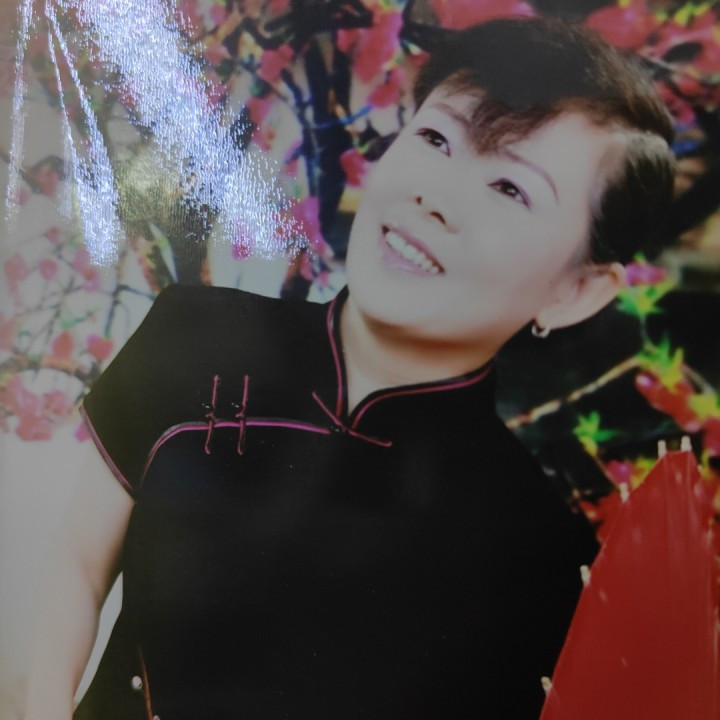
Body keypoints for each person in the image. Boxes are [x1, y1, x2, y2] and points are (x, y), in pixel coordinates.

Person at [24, 17, 674, 720]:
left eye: (510, 189)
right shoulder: (198, 333)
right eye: (437, 139)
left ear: (576, 289)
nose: (436, 198)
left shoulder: (537, 548)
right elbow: (79, 566)